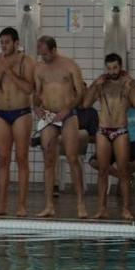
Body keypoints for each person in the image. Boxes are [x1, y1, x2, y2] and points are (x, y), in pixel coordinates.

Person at [0, 27, 36, 217]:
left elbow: (29, 88)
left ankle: (21, 205)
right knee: (3, 160)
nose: (4, 46)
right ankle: (1, 205)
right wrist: (0, 71)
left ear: (16, 43)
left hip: (21, 113)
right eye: (1, 42)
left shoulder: (27, 61)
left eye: (7, 42)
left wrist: (10, 72)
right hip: (1, 115)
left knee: (21, 159)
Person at [82, 53, 135, 220]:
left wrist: (132, 82)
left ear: (120, 66)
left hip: (120, 130)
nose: (112, 71)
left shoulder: (126, 84)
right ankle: (102, 209)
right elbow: (86, 104)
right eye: (109, 68)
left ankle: (126, 209)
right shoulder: (101, 84)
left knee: (123, 171)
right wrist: (94, 84)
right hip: (103, 131)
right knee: (102, 171)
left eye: (115, 67)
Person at [33, 35, 86, 218]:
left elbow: (81, 93)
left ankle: (80, 203)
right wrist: (36, 108)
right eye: (41, 54)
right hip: (48, 117)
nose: (43, 58)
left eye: (46, 54)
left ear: (54, 50)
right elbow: (36, 93)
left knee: (72, 158)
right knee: (48, 161)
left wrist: (67, 108)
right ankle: (49, 205)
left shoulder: (70, 66)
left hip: (68, 116)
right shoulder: (39, 68)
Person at [89, 107, 135, 196]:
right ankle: (125, 178)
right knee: (94, 161)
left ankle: (124, 179)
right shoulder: (120, 111)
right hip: (117, 142)